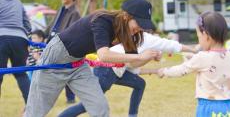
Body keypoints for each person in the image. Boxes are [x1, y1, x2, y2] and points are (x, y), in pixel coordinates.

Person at [24, 0, 161, 117]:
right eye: (139, 24)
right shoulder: (103, 20)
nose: (140, 29)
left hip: (77, 64)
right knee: (36, 111)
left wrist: (147, 57)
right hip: (56, 58)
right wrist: (139, 57)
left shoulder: (129, 33)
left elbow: (132, 64)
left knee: (100, 108)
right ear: (126, 16)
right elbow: (103, 55)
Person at [58, 31, 197, 117]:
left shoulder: (141, 46)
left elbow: (135, 69)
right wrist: (194, 50)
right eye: (159, 53)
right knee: (87, 105)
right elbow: (173, 45)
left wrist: (156, 70)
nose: (160, 56)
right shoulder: (148, 41)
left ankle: (132, 115)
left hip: (115, 72)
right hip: (106, 70)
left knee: (139, 84)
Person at [154, 12, 230, 117]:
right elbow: (222, 73)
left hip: (209, 108)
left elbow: (182, 70)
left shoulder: (202, 57)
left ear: (206, 36)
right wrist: (194, 58)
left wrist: (165, 71)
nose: (198, 40)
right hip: (229, 107)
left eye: (198, 36)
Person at [46, 0, 81, 104]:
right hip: (51, 42)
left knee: (65, 71)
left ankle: (70, 98)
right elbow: (51, 26)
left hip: (63, 45)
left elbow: (72, 30)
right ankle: (49, 96)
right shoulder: (60, 10)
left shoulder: (75, 13)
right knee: (50, 71)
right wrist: (42, 35)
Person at [0, 0, 31, 104]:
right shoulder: (17, 0)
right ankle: (33, 108)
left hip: (1, 37)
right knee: (21, 73)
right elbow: (27, 24)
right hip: (20, 38)